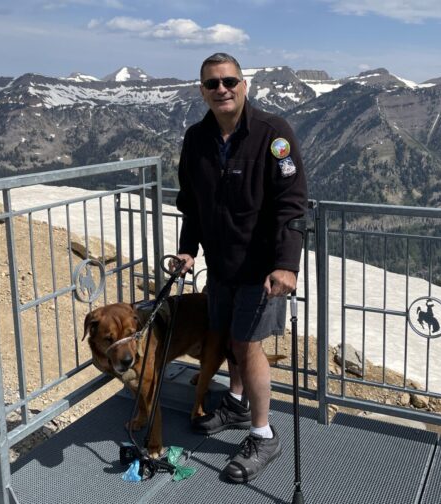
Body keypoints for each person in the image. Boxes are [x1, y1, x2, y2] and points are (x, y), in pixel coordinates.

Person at [174, 52, 307, 483]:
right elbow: (192, 204)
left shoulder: (274, 134)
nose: (222, 90)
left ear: (244, 85)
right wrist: (187, 250)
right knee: (231, 339)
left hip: (262, 268)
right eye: (212, 84)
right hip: (221, 264)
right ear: (202, 91)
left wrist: (287, 265)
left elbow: (291, 206)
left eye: (229, 81)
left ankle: (263, 434)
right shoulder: (196, 140)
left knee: (248, 345)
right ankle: (236, 403)